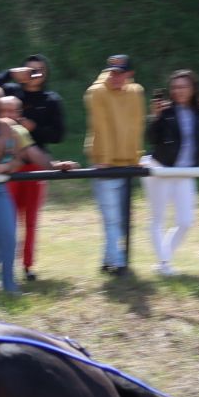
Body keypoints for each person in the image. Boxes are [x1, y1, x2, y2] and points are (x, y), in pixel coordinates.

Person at [0, 89, 72, 294]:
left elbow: (25, 154)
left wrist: (53, 166)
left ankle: (9, 285)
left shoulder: (8, 128)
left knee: (7, 236)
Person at [144, 69, 199, 277]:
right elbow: (151, 138)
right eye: (175, 87)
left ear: (193, 89)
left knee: (185, 221)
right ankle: (164, 264)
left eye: (183, 87)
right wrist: (155, 116)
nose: (178, 91)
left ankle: (163, 262)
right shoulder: (166, 111)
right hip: (160, 168)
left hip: (185, 170)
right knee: (158, 218)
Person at [0, 55, 66, 281]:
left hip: (36, 164)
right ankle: (6, 264)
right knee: (8, 217)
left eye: (40, 70)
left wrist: (34, 127)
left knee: (31, 218)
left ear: (46, 73)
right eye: (30, 70)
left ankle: (28, 265)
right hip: (9, 162)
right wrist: (10, 72)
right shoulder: (11, 91)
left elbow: (58, 134)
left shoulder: (51, 99)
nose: (35, 74)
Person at [84, 54, 145, 274]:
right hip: (104, 164)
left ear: (130, 74)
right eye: (112, 72)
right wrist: (104, 160)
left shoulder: (136, 92)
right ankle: (119, 264)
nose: (115, 77)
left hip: (127, 163)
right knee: (111, 218)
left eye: (121, 73)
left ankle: (107, 260)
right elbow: (101, 126)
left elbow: (136, 125)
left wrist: (136, 158)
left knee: (121, 218)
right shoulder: (97, 92)